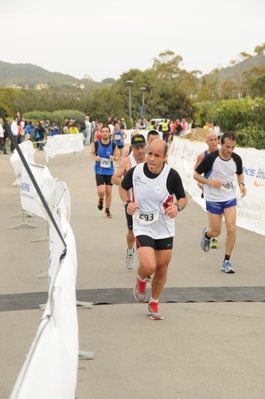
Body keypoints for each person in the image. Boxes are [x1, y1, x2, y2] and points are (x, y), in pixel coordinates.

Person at [120, 139, 187, 320]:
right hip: (142, 225)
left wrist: (177, 208)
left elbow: (182, 199)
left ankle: (154, 302)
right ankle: (141, 279)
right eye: (150, 153)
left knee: (162, 269)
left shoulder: (172, 176)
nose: (151, 158)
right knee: (149, 266)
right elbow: (123, 188)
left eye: (157, 155)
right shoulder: (135, 172)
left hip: (164, 227)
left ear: (165, 157)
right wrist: (127, 203)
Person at [193, 131, 247, 274]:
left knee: (232, 228)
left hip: (229, 198)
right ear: (221, 144)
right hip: (213, 198)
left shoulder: (236, 159)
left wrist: (241, 184)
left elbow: (239, 172)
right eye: (227, 146)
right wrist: (210, 182)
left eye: (232, 147)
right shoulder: (211, 158)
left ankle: (226, 261)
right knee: (216, 232)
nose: (229, 150)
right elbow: (196, 175)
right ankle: (207, 235)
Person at [112, 133, 147, 269]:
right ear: (132, 147)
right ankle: (130, 251)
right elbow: (114, 179)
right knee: (132, 233)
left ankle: (145, 263)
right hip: (131, 203)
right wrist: (127, 183)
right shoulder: (127, 161)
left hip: (148, 203)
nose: (140, 150)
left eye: (142, 147)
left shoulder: (150, 160)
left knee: (147, 233)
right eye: (137, 147)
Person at [194, 131, 219, 249]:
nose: (214, 142)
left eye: (215, 139)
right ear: (206, 142)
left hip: (221, 189)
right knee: (213, 213)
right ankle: (213, 237)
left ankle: (211, 233)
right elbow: (196, 171)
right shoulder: (202, 156)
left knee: (220, 214)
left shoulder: (223, 154)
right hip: (209, 189)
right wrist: (200, 181)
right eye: (211, 140)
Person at [91, 125, 120, 218]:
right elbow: (92, 153)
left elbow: (118, 156)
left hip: (109, 172)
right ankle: (100, 198)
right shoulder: (96, 144)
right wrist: (96, 157)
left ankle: (107, 210)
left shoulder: (113, 145)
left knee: (108, 191)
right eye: (103, 131)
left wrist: (114, 158)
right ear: (100, 132)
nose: (104, 133)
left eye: (106, 131)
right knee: (101, 191)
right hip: (99, 171)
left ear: (109, 133)